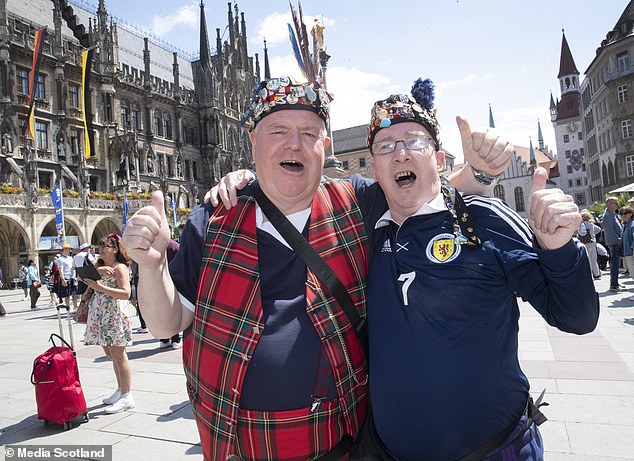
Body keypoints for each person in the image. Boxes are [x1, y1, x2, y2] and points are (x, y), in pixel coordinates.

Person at [124, 71, 509, 459]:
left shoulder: (356, 202)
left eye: (309, 133)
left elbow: (421, 191)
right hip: (238, 448)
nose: (294, 144)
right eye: (278, 131)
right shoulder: (213, 217)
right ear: (252, 142)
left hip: (341, 446)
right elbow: (165, 324)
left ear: (324, 146)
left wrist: (479, 171)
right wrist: (152, 266)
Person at [350, 83, 599, 460]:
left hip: (494, 451)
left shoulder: (482, 219)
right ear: (373, 169)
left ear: (438, 157)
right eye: (386, 146)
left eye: (414, 141)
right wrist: (241, 182)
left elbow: (577, 317)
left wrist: (560, 247)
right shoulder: (366, 224)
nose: (400, 153)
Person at [82, 233, 135, 414]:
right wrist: (98, 271)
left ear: (114, 249)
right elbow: (84, 275)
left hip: (114, 314)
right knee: (110, 352)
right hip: (101, 314)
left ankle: (127, 396)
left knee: (119, 355)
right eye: (100, 246)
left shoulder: (120, 268)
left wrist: (100, 287)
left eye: (105, 246)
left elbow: (126, 294)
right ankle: (120, 389)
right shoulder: (101, 265)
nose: (101, 249)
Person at [603, 196, 624, 292]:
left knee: (615, 264)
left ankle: (615, 283)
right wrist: (619, 240)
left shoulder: (611, 214)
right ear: (609, 204)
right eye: (615, 203)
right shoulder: (607, 215)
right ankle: (614, 285)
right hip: (614, 243)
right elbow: (610, 232)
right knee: (615, 264)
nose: (617, 205)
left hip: (615, 242)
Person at [577, 210, 602, 279]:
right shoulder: (591, 224)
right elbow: (599, 229)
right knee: (594, 259)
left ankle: (590, 274)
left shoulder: (582, 224)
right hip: (593, 243)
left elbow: (583, 233)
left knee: (588, 260)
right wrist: (593, 235)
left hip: (586, 243)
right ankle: (597, 273)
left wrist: (578, 231)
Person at [55, 244, 76, 309]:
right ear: (64, 250)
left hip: (72, 277)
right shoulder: (60, 259)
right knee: (67, 294)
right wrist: (63, 279)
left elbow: (73, 267)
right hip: (66, 277)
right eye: (68, 249)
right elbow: (60, 270)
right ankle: (68, 307)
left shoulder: (70, 258)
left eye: (69, 249)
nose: (69, 250)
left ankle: (75, 307)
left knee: (74, 293)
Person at [620, 206, 634, 300]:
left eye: (625, 213)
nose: (623, 216)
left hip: (631, 252)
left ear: (631, 213)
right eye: (621, 214)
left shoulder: (632, 224)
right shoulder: (626, 224)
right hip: (628, 252)